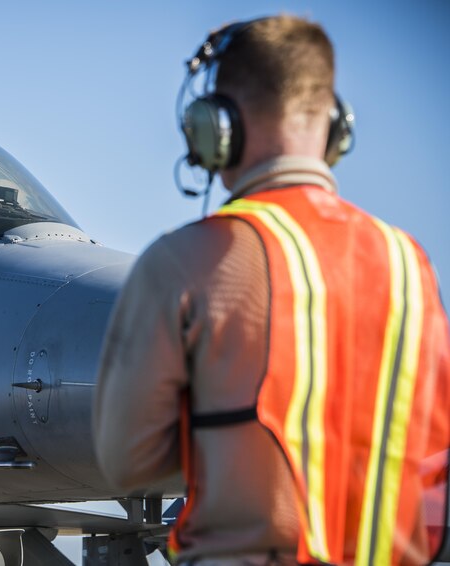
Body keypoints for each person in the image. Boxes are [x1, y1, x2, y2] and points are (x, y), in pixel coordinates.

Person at [93, 15, 449, 565]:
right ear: (336, 128)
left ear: (217, 127)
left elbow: (125, 460)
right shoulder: (411, 265)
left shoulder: (187, 262)